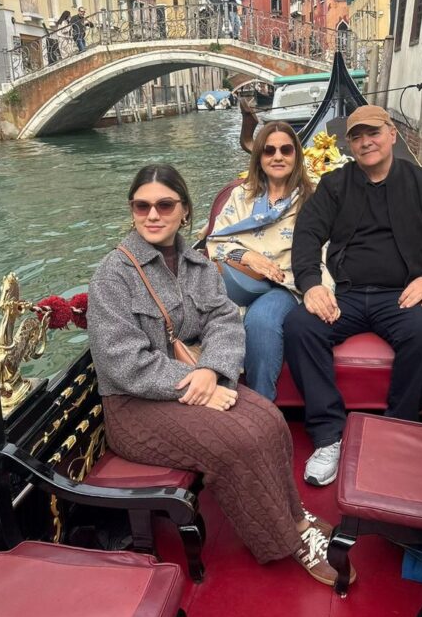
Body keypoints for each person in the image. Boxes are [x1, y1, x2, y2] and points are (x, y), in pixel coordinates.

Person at [88, 163, 351, 586]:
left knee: (269, 418)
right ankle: (286, 538)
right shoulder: (112, 275)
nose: (152, 215)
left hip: (198, 381)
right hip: (135, 408)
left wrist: (212, 370)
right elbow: (122, 361)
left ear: (184, 211)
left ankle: (292, 513)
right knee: (237, 441)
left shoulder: (197, 265)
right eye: (142, 206)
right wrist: (196, 384)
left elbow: (225, 321)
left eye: (164, 205)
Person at [284, 105, 422, 486]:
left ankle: (397, 429)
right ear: (349, 145)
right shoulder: (335, 186)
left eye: (373, 133)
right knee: (300, 326)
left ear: (392, 135)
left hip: (402, 295)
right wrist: (312, 284)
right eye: (356, 136)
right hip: (348, 296)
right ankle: (328, 435)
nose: (365, 142)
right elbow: (307, 235)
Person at [207, 122, 316, 401]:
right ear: (259, 157)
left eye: (285, 150)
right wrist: (247, 256)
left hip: (286, 285)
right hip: (239, 282)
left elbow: (324, 248)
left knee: (261, 320)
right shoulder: (241, 196)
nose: (277, 157)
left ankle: (260, 408)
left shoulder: (312, 198)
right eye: (269, 150)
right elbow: (215, 241)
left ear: (296, 155)